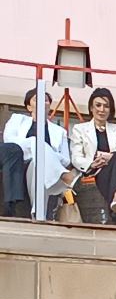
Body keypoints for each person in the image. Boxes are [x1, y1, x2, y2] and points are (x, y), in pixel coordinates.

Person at [71, 87, 116, 227]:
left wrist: (107, 157)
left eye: (106, 106)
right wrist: (91, 163)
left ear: (110, 110)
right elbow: (76, 157)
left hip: (115, 171)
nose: (102, 109)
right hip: (97, 171)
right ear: (91, 108)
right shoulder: (79, 129)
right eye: (98, 105)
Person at [2, 88, 72, 218]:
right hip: (19, 163)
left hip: (41, 168)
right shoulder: (17, 120)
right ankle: (62, 175)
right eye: (36, 99)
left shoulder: (59, 131)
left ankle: (37, 213)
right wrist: (37, 146)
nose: (42, 102)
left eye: (45, 100)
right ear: (29, 107)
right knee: (36, 142)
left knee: (39, 165)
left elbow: (66, 159)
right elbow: (10, 143)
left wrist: (45, 154)